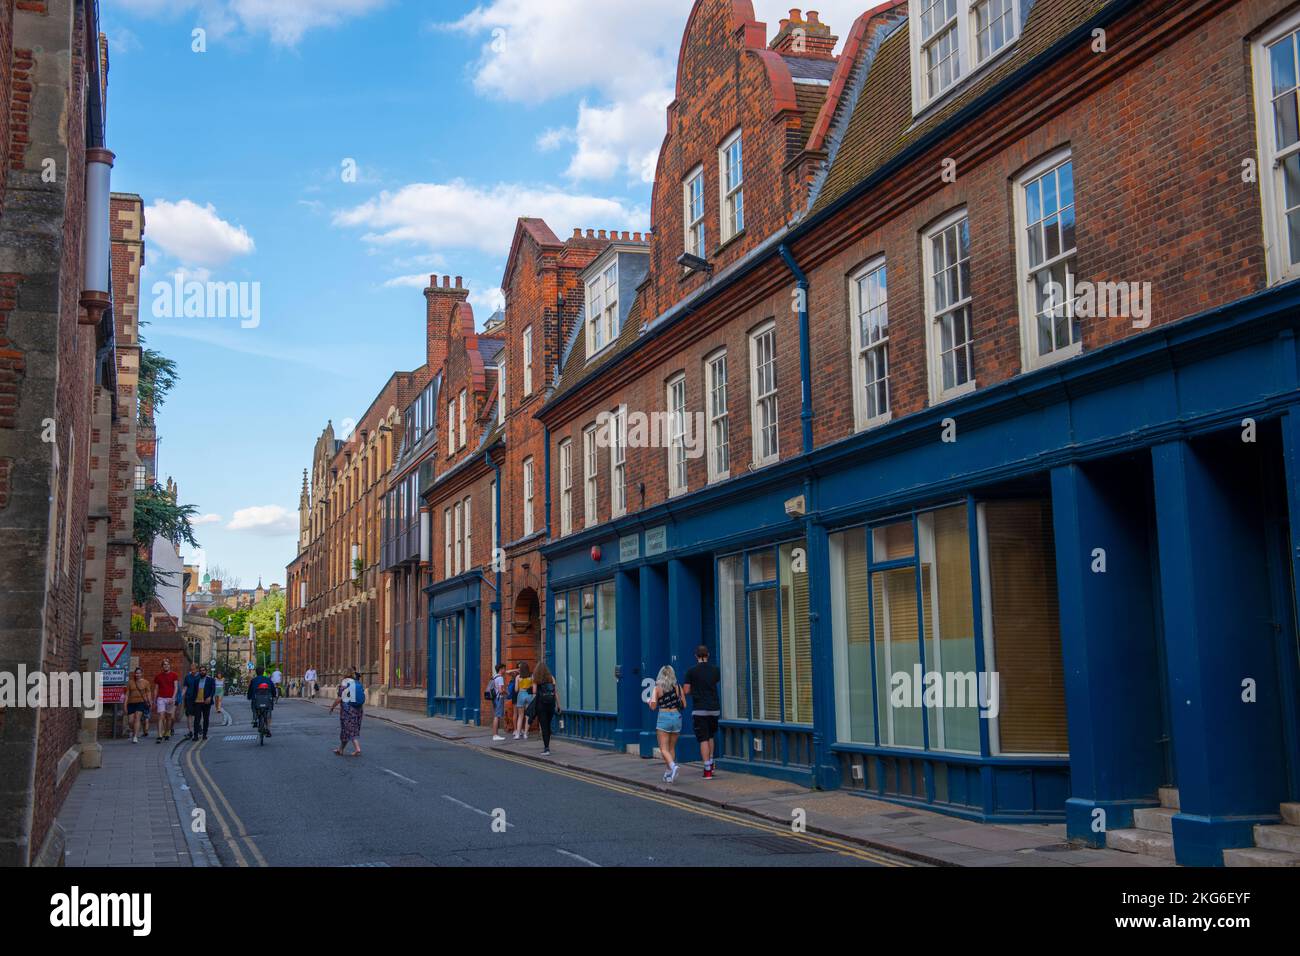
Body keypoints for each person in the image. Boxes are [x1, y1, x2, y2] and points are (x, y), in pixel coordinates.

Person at [682, 644, 721, 780]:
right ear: (708, 655)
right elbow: (714, 683)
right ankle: (711, 763)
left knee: (703, 738)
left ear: (696, 656)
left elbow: (686, 691)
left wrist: (695, 690)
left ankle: (707, 770)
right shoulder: (715, 670)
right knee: (710, 736)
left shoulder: (691, 671)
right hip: (714, 708)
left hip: (700, 709)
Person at [648, 665, 684, 783]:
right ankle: (669, 774)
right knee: (671, 748)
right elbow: (684, 705)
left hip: (664, 717)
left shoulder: (657, 688)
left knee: (663, 748)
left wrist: (650, 701)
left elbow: (653, 707)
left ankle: (673, 767)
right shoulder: (678, 687)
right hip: (677, 717)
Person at [329, 671, 363, 756]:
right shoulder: (356, 683)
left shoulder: (344, 684)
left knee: (349, 729)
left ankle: (357, 748)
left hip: (347, 711)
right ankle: (340, 750)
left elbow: (339, 698)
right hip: (358, 710)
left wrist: (332, 707)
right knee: (348, 730)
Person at [531, 662, 560, 756]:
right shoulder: (551, 678)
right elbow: (555, 692)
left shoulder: (536, 678)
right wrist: (559, 705)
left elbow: (534, 691)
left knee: (544, 726)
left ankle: (546, 748)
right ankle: (548, 742)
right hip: (551, 704)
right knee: (548, 724)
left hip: (541, 705)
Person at [152, 659, 180, 743]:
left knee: (169, 717)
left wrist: (173, 697)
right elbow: (156, 689)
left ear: (170, 665)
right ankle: (159, 735)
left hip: (170, 699)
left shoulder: (174, 675)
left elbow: (176, 687)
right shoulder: (158, 676)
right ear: (162, 666)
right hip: (161, 698)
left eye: (167, 664)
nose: (166, 666)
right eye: (164, 664)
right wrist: (154, 699)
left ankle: (167, 732)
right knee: (161, 716)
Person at [247, 667, 276, 736]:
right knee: (268, 712)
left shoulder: (253, 680)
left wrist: (249, 697)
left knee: (254, 706)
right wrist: (274, 695)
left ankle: (255, 719)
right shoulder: (268, 680)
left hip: (256, 699)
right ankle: (268, 728)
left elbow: (250, 690)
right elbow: (273, 689)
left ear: (256, 673)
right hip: (267, 699)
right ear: (263, 672)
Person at [126, 668, 152, 743]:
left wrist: (149, 701)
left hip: (141, 702)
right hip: (131, 703)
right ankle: (135, 731)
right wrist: (125, 704)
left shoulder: (146, 682)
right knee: (130, 721)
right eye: (136, 673)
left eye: (139, 673)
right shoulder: (130, 682)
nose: (137, 674)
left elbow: (148, 693)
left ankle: (135, 737)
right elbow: (127, 694)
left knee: (137, 718)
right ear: (134, 674)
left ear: (142, 674)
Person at [190, 666, 216, 741]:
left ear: (206, 671)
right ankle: (195, 736)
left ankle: (204, 734)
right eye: (201, 670)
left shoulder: (210, 680)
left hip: (206, 701)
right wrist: (193, 701)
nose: (202, 672)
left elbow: (213, 689)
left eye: (203, 670)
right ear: (199, 672)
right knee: (197, 719)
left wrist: (210, 697)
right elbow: (194, 691)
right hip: (198, 702)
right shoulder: (196, 680)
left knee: (206, 719)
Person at [488, 663, 512, 742]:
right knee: (497, 716)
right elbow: (501, 690)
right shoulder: (500, 678)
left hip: (495, 698)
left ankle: (495, 734)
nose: (505, 670)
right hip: (499, 698)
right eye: (504, 669)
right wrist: (507, 693)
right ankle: (495, 735)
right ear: (501, 669)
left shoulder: (495, 676)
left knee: (496, 715)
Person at [512, 662, 534, 740]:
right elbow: (533, 688)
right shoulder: (531, 676)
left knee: (520, 716)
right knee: (527, 716)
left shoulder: (518, 677)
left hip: (521, 694)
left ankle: (517, 734)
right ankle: (525, 734)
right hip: (529, 695)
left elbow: (516, 689)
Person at [181, 664, 200, 740]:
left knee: (197, 715)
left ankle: (198, 727)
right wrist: (181, 696)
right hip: (189, 698)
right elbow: (185, 687)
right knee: (189, 715)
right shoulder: (187, 677)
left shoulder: (199, 677)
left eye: (193, 669)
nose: (192, 671)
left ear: (197, 669)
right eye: (191, 669)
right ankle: (190, 731)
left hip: (198, 699)